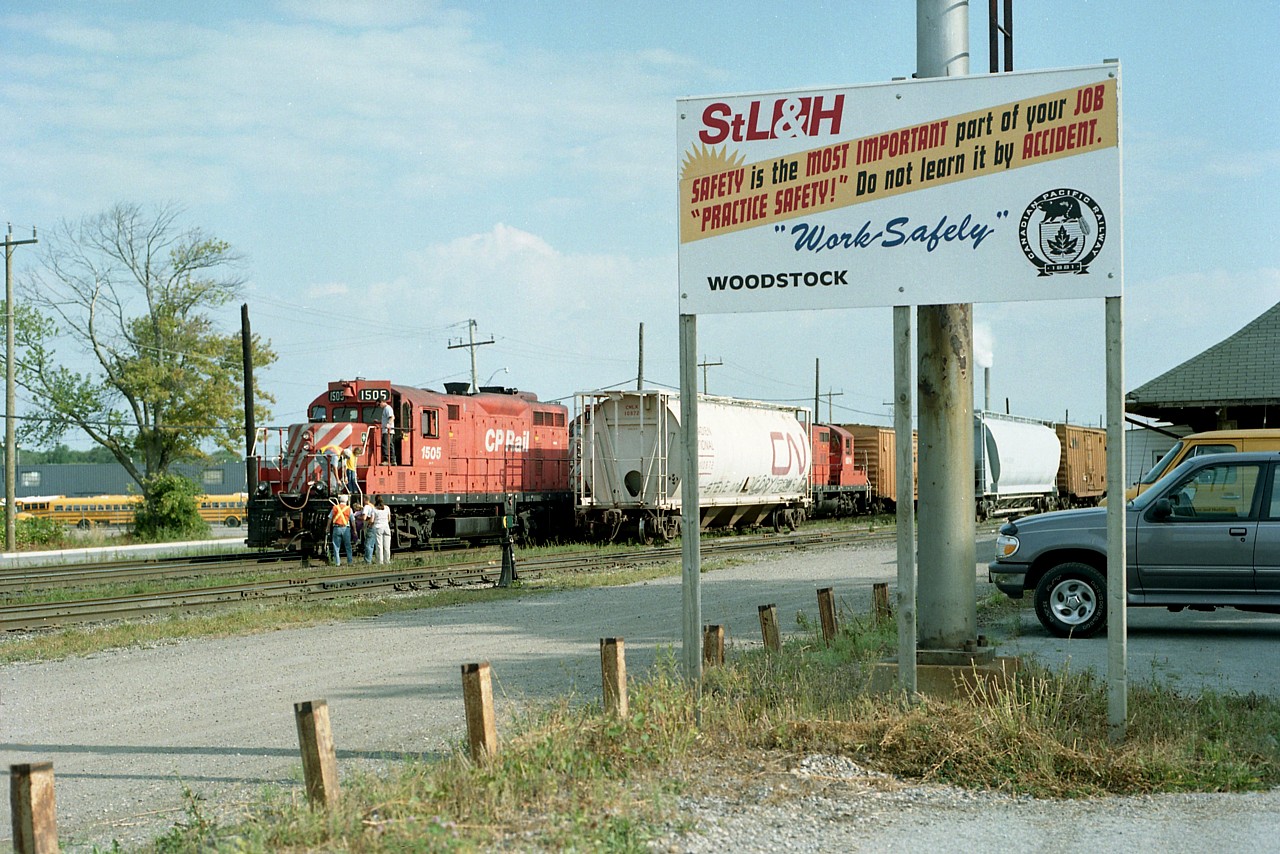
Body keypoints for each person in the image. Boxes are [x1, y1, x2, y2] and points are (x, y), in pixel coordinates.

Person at [329, 495, 354, 565]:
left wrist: (327, 528)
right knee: (348, 546)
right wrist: (354, 530)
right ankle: (350, 562)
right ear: (346, 501)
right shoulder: (349, 509)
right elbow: (353, 520)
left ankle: (337, 563)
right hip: (346, 528)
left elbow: (329, 518)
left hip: (336, 528)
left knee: (336, 546)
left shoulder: (335, 507)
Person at [371, 495, 392, 564]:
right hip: (386, 527)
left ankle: (380, 561)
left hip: (378, 528)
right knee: (387, 546)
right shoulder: (387, 508)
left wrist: (369, 525)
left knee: (379, 546)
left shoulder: (374, 509)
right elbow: (389, 519)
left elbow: (372, 520)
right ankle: (387, 561)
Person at [378, 400, 397, 465]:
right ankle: (393, 460)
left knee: (385, 445)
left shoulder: (388, 408)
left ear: (382, 402)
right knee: (390, 444)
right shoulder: (385, 409)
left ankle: (386, 460)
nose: (379, 406)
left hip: (387, 430)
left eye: (379, 404)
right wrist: (379, 422)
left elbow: (392, 417)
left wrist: (388, 424)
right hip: (387, 430)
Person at [360, 495, 376, 563]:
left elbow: (364, 518)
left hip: (369, 526)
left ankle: (367, 560)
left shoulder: (366, 507)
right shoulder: (373, 506)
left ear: (364, 499)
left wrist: (357, 517)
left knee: (368, 544)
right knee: (372, 544)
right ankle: (371, 559)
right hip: (375, 526)